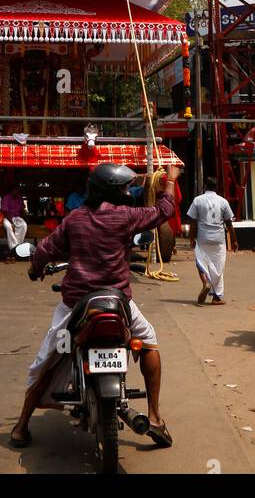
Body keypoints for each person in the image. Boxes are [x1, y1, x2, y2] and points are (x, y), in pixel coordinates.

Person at [10, 160, 183, 450]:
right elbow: (165, 210)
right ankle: (153, 416)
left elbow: (44, 251)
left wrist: (34, 270)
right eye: (127, 187)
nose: (130, 191)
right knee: (150, 342)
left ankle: (20, 426)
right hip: (118, 303)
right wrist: (170, 180)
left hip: (76, 305)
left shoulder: (75, 219)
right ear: (116, 192)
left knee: (48, 360)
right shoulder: (127, 217)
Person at [187, 175, 237, 305]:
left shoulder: (197, 200)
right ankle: (216, 297)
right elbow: (229, 223)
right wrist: (235, 241)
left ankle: (205, 282)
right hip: (219, 239)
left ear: (205, 187)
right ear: (217, 188)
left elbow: (193, 221)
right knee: (218, 267)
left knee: (200, 262)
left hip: (203, 237)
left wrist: (191, 237)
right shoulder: (223, 201)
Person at [2, 185, 28, 261]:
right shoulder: (6, 197)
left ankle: (17, 248)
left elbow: (22, 210)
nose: (17, 192)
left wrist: (27, 220)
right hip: (7, 218)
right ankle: (14, 249)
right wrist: (12, 223)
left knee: (24, 225)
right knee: (8, 227)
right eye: (15, 190)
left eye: (18, 191)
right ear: (12, 191)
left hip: (17, 217)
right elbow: (5, 212)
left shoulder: (19, 198)